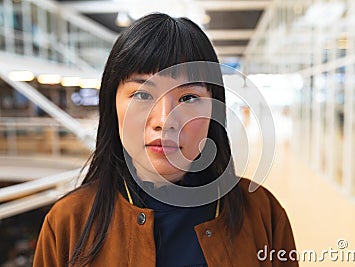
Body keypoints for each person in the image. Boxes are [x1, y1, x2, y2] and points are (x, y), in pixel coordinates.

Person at [33, 13, 298, 267]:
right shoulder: (67, 224)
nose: (164, 120)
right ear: (112, 106)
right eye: (142, 95)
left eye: (188, 98)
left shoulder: (263, 213)